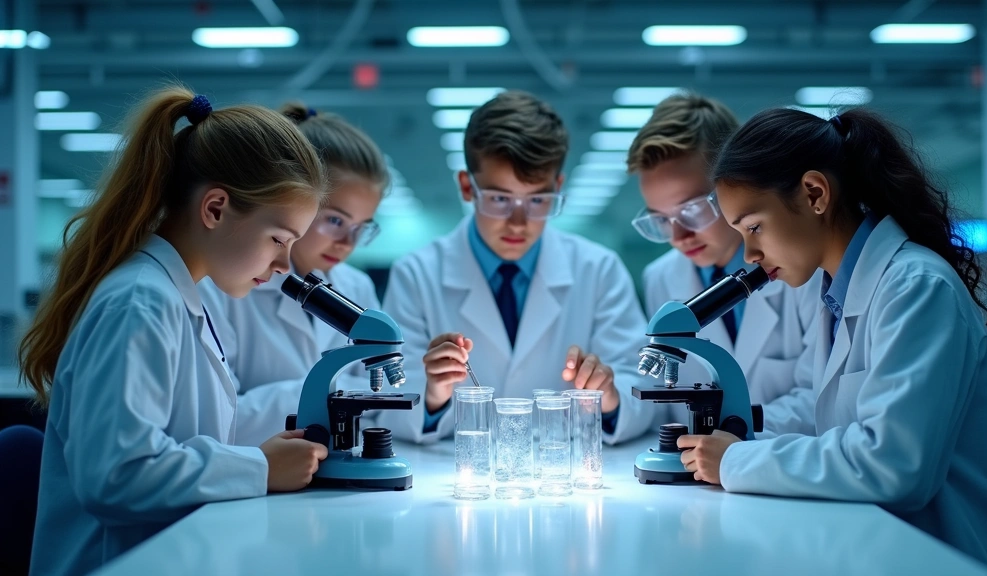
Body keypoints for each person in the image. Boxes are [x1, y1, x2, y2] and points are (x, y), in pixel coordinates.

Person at [679, 106, 987, 574]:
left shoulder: (916, 287)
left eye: (755, 227)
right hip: (878, 542)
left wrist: (739, 460)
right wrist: (741, 430)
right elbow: (827, 418)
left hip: (949, 553)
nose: (751, 254)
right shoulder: (836, 293)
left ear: (815, 193)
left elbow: (894, 466)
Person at [18, 87, 331, 575]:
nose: (283, 264)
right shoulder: (140, 302)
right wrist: (259, 468)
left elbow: (173, 442)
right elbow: (117, 475)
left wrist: (260, 457)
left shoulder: (180, 295)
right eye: (278, 239)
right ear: (215, 208)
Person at [376, 90, 653, 444]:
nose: (518, 222)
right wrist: (433, 392)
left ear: (558, 186)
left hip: (558, 473)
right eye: (500, 199)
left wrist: (609, 394)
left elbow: (641, 392)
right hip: (456, 476)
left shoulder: (599, 270)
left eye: (538, 199)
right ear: (466, 187)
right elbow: (390, 407)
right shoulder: (416, 275)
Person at [628, 93, 819, 436]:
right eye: (661, 220)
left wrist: (731, 435)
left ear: (733, 184)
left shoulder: (803, 266)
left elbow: (820, 398)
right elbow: (671, 401)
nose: (679, 235)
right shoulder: (660, 277)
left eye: (692, 210)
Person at [200, 103, 388, 446]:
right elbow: (221, 419)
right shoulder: (224, 285)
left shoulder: (355, 286)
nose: (348, 243)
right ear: (300, 200)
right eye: (335, 220)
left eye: (361, 228)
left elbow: (379, 401)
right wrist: (323, 390)